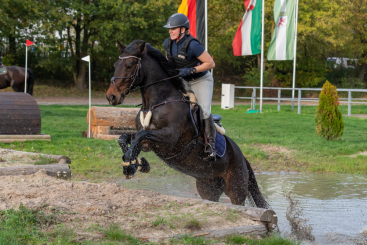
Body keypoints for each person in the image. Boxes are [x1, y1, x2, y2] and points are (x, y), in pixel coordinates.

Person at [163, 13, 216, 161]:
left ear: (182, 29)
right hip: (183, 81)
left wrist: (192, 70)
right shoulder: (168, 44)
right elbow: (169, 63)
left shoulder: (193, 45)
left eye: (173, 28)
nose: (170, 31)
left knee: (204, 109)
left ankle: (210, 146)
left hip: (200, 80)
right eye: (169, 29)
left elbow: (211, 63)